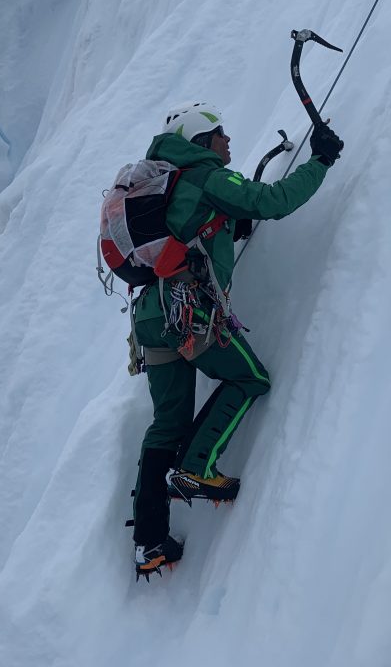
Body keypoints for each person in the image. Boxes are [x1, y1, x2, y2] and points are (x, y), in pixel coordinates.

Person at [131, 101, 343, 578]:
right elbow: (274, 202)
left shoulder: (173, 184)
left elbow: (202, 229)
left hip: (150, 315)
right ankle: (196, 467)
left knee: (166, 425)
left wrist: (230, 226)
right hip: (186, 312)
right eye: (219, 133)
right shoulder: (207, 177)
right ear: (201, 142)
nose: (228, 140)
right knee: (250, 380)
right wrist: (321, 159)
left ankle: (149, 543)